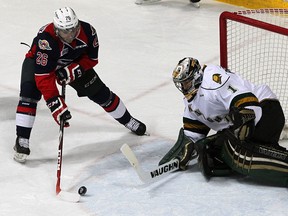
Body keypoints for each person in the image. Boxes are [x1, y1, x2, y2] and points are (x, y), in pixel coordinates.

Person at [14, 7, 146, 163]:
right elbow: (44, 77)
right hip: (39, 65)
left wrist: (73, 70)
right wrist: (55, 103)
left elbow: (92, 59)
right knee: (29, 94)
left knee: (101, 93)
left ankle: (128, 120)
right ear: (57, 30)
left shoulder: (89, 32)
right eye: (65, 31)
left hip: (73, 63)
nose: (70, 34)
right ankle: (22, 139)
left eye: (73, 29)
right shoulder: (46, 40)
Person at [159, 57, 288, 187]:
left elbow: (247, 102)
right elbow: (193, 134)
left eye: (186, 82)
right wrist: (186, 148)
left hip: (265, 110)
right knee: (210, 153)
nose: (183, 87)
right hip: (243, 124)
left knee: (236, 153)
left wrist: (244, 120)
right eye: (181, 84)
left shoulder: (213, 79)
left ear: (196, 76)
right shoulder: (191, 103)